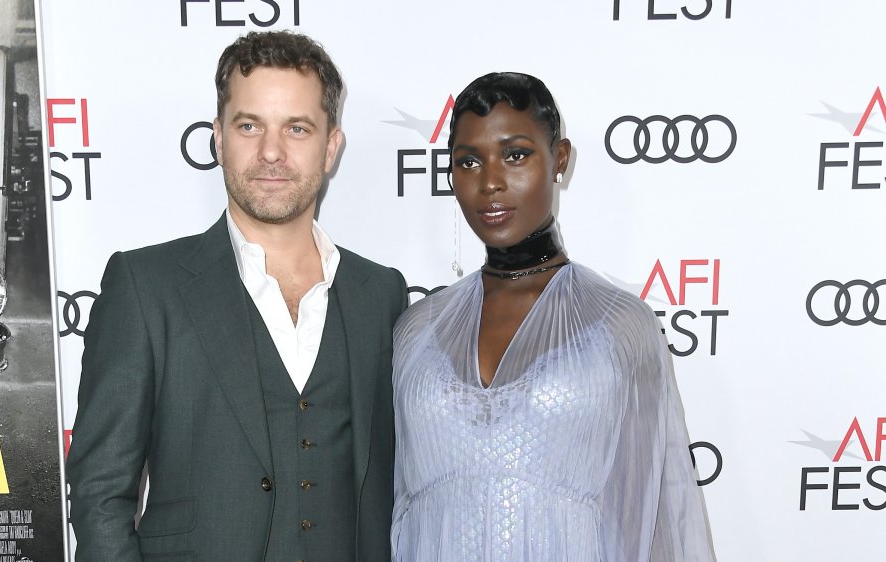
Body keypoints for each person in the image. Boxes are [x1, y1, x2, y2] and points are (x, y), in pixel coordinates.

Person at [67, 31, 407, 561]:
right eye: (249, 126)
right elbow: (99, 496)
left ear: (331, 146)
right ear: (218, 139)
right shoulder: (145, 285)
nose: (271, 152)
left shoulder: (381, 293)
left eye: (297, 128)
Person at [391, 73, 715, 561]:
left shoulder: (620, 324)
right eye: (469, 162)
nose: (491, 182)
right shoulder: (417, 329)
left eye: (516, 154)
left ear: (559, 159)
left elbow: (661, 514)